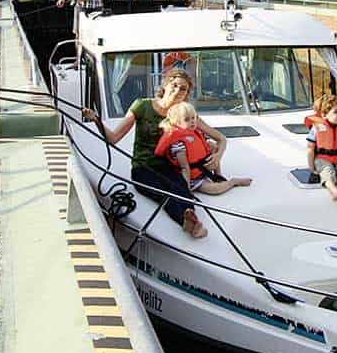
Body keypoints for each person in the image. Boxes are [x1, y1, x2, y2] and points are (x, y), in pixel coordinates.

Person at [82, 67, 210, 239]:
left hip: (168, 167)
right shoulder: (142, 105)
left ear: (186, 94)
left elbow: (218, 137)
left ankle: (190, 215)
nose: (178, 90)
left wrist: (217, 155)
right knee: (165, 192)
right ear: (165, 84)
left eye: (183, 88)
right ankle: (185, 220)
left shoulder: (183, 113)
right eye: (175, 85)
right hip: (143, 168)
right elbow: (113, 138)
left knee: (181, 188)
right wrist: (96, 119)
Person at [156, 102, 251, 195]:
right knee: (215, 190)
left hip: (202, 169)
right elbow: (185, 168)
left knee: (213, 145)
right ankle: (233, 182)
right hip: (193, 178)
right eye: (187, 119)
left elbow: (220, 140)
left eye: (194, 118)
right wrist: (186, 187)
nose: (192, 121)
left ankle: (218, 175)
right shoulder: (178, 144)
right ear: (177, 123)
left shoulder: (194, 131)